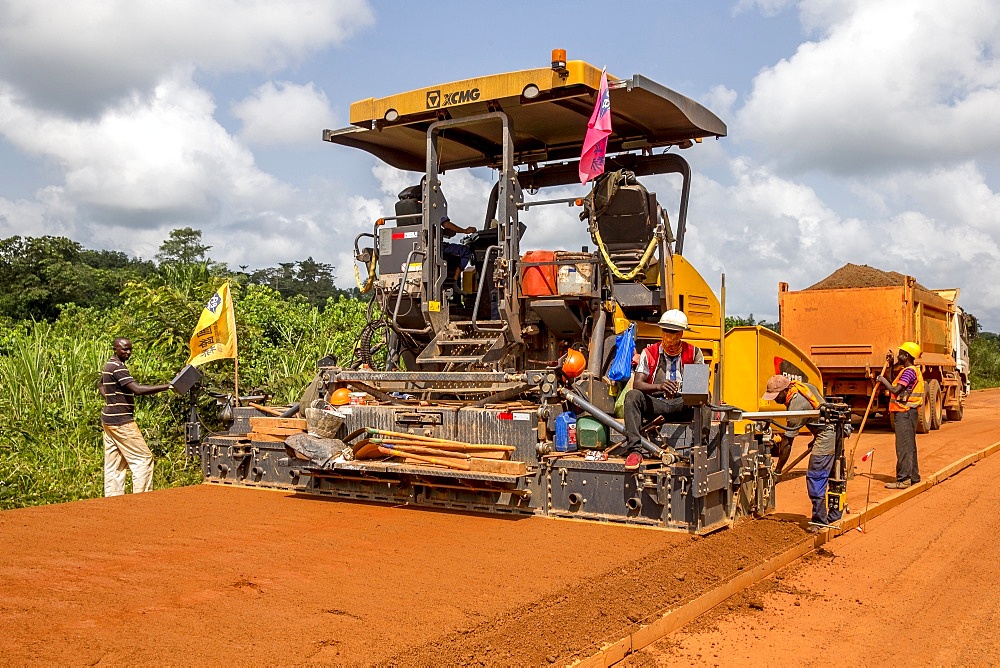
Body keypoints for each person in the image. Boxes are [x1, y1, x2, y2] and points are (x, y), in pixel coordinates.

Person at [622, 309, 704, 470]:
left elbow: (698, 387)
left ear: (681, 334)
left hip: (682, 404)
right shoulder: (649, 352)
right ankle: (635, 451)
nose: (669, 337)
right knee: (632, 396)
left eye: (673, 333)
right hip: (656, 405)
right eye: (666, 331)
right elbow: (637, 384)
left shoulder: (694, 353)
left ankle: (699, 449)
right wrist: (659, 386)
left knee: (704, 400)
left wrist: (682, 389)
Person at [762, 374, 841, 530]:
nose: (775, 400)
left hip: (827, 434)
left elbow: (787, 443)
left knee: (816, 475)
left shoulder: (796, 405)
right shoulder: (804, 387)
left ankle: (819, 521)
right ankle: (834, 516)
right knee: (834, 475)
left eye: (776, 396)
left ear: (785, 391)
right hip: (833, 430)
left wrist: (778, 471)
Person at [99, 338, 172, 496]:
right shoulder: (118, 368)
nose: (128, 352)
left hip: (108, 420)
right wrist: (169, 385)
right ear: (115, 349)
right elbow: (137, 390)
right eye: (124, 349)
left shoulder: (108, 366)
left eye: (130, 349)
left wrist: (111, 399)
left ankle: (113, 503)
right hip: (121, 422)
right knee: (143, 459)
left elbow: (100, 384)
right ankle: (142, 502)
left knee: (115, 464)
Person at [876, 341, 924, 489]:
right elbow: (895, 383)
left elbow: (895, 390)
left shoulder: (909, 371)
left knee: (903, 447)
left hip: (905, 413)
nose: (898, 355)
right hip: (908, 412)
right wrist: (890, 366)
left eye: (901, 353)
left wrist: (882, 380)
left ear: (906, 356)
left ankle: (904, 479)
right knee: (910, 446)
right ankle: (913, 477)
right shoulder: (908, 370)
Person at [439, 215, 476, 282]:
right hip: (438, 247)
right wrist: (465, 231)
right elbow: (446, 225)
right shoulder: (436, 208)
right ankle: (454, 282)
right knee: (466, 251)